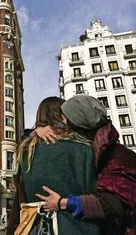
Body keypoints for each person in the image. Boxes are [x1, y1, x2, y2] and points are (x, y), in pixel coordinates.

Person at [29, 95, 136, 235]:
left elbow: (114, 203)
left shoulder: (114, 156)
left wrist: (62, 203)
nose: (61, 123)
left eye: (64, 118)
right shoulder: (100, 147)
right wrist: (34, 132)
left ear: (76, 122)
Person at [9, 96, 101, 235]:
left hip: (36, 228)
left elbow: (18, 189)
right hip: (78, 228)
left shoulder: (26, 153)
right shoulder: (83, 149)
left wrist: (34, 133)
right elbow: (98, 197)